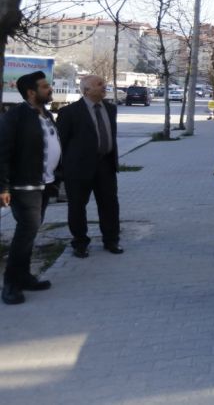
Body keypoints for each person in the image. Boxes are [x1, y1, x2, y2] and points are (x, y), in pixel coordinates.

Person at [0, 72, 60, 305]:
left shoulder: (46, 114)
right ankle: (10, 284)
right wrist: (3, 187)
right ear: (31, 92)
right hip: (24, 186)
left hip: (44, 184)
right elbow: (3, 152)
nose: (50, 89)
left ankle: (24, 277)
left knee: (31, 231)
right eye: (45, 86)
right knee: (26, 232)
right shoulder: (16, 115)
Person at [56, 74, 122, 257]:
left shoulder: (110, 109)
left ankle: (111, 240)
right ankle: (80, 243)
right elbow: (61, 143)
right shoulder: (69, 112)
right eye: (99, 84)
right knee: (77, 206)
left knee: (109, 204)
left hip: (106, 165)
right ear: (86, 90)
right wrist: (62, 170)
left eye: (104, 83)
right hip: (78, 168)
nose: (104, 86)